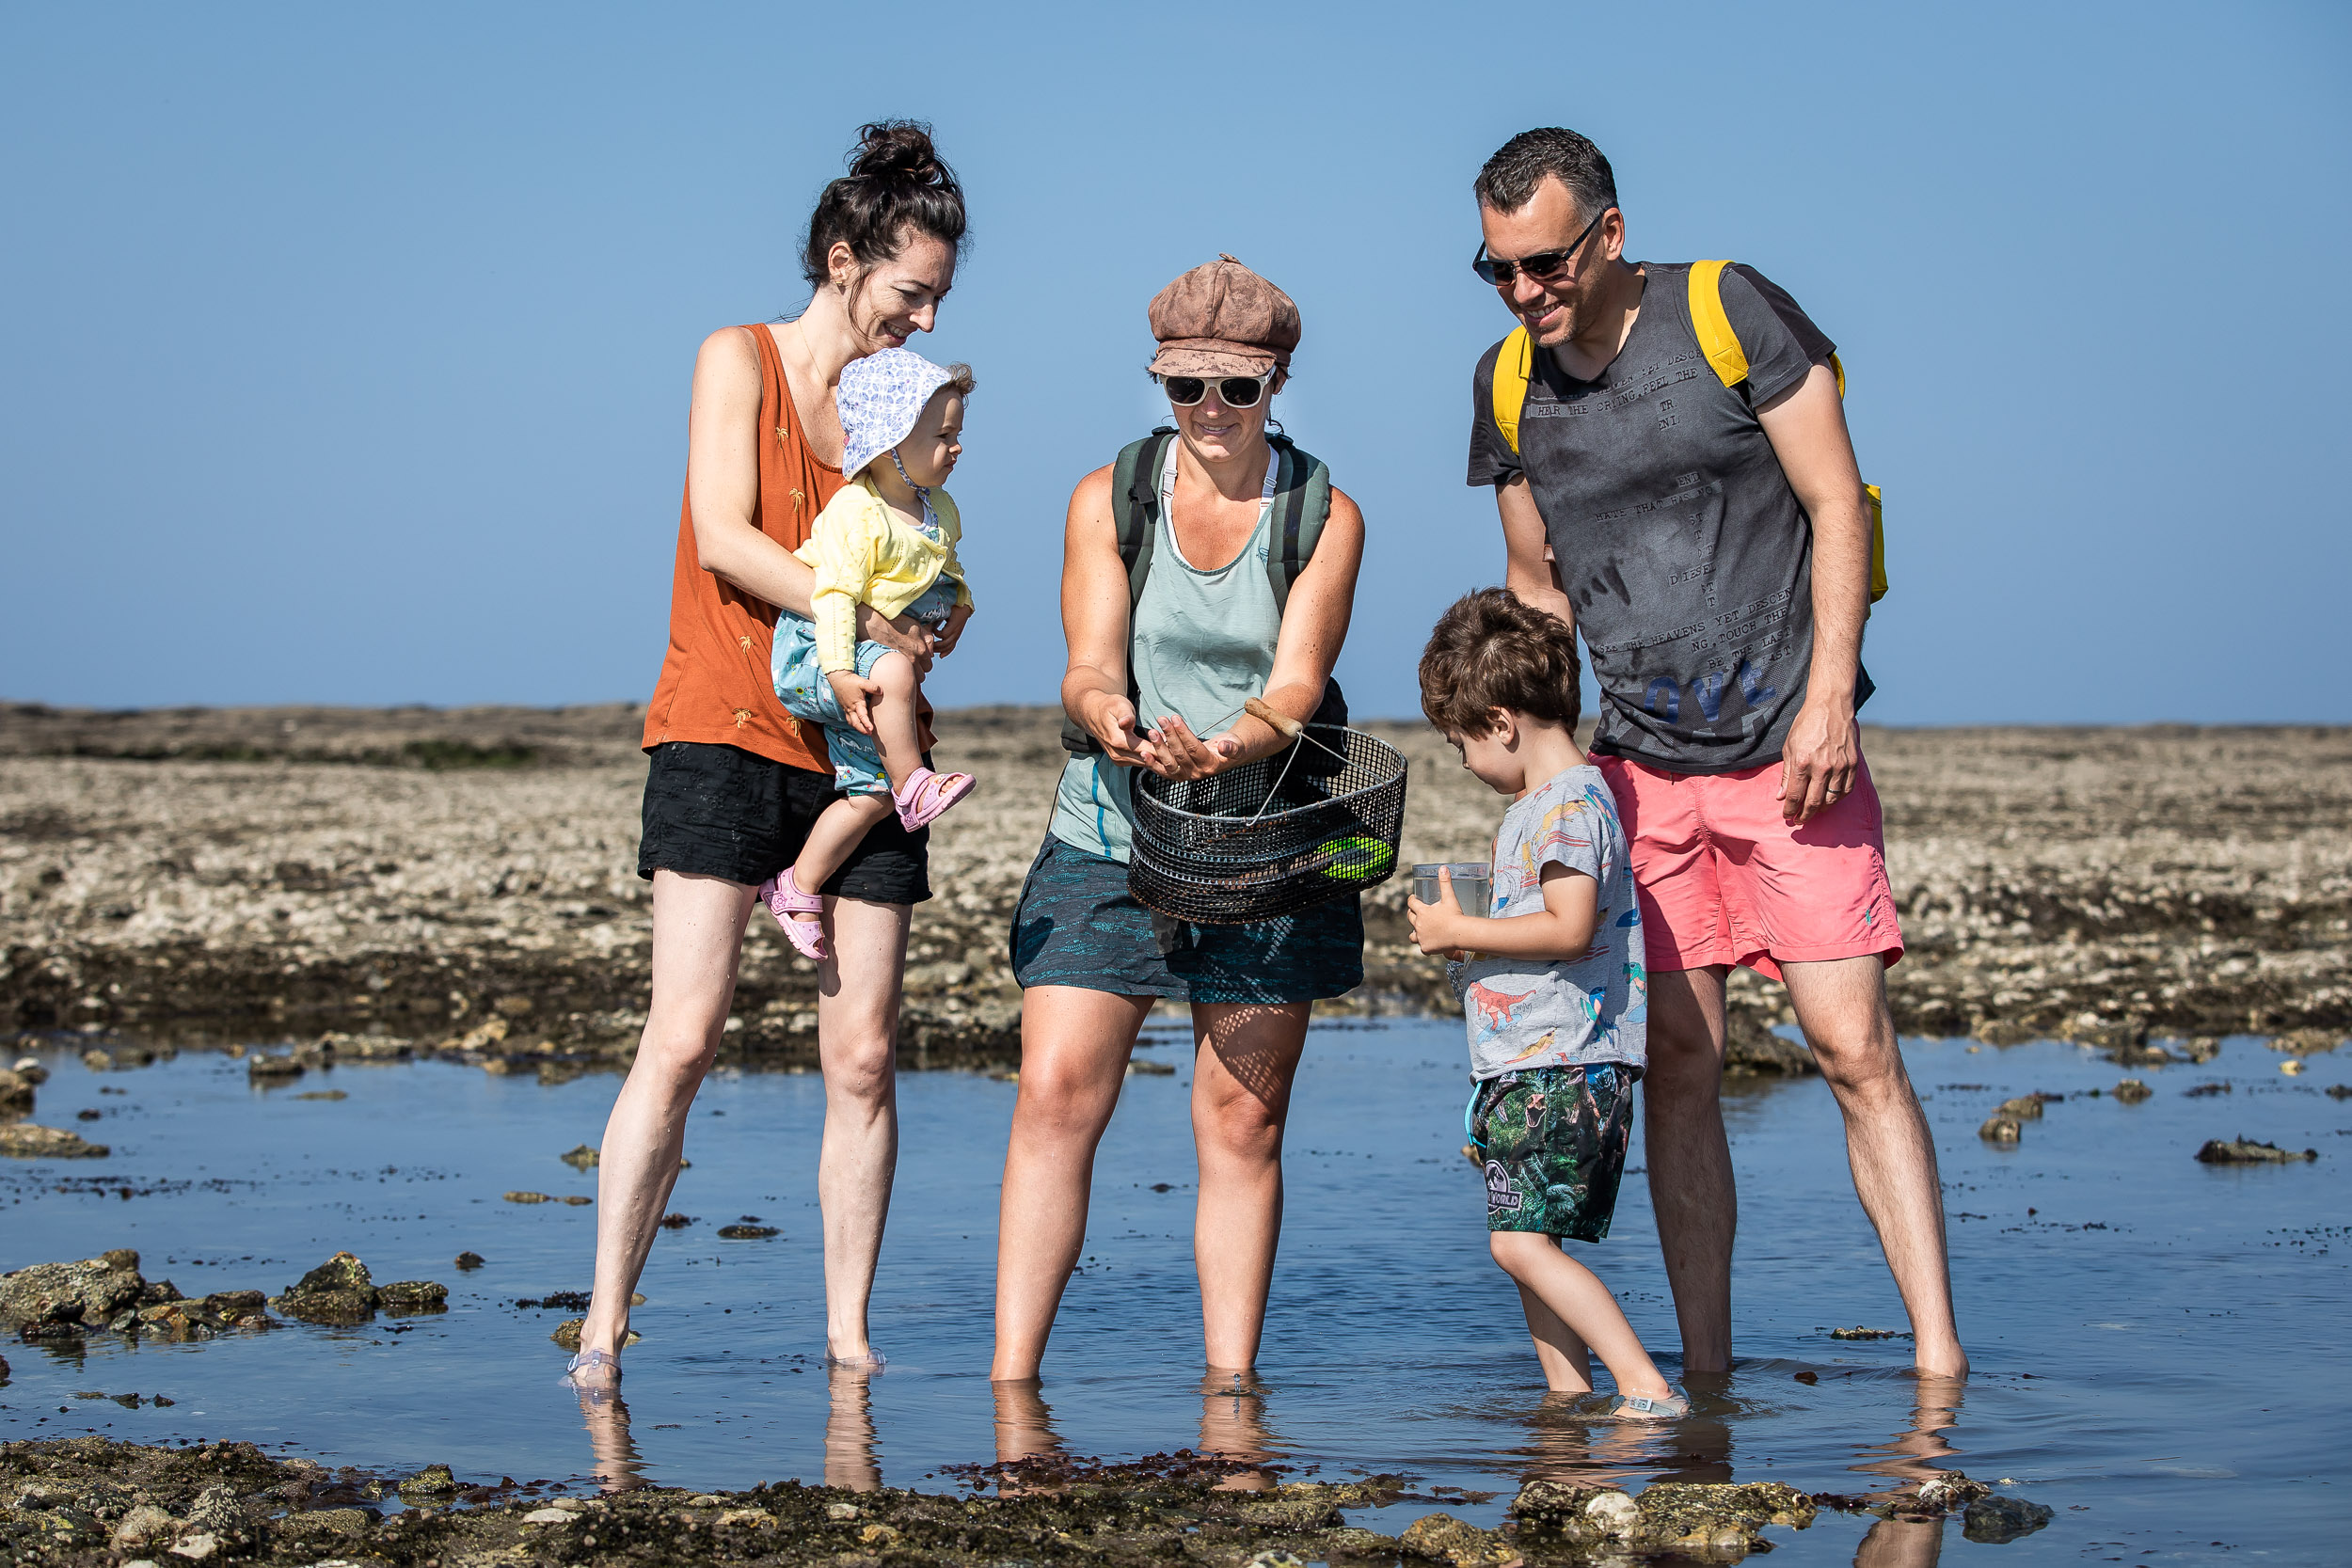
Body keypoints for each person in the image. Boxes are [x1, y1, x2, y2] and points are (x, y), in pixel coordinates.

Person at [1463, 127, 1966, 1378]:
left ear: (1611, 236)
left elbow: (1836, 499)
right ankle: (1707, 1383)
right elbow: (1537, 592)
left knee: (1854, 1048)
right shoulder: (1506, 384)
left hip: (1796, 752)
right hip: (1637, 771)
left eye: (1546, 264)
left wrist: (1832, 696)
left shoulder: (1727, 308)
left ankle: (1941, 1364)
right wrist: (1537, 775)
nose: (1527, 292)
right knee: (1682, 1063)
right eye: (1499, 271)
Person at [564, 121, 968, 1389]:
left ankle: (849, 1336)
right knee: (682, 1036)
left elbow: (921, 559)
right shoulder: (732, 357)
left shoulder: (901, 411)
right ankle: (602, 1320)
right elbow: (726, 533)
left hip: (859, 752)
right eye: (908, 291)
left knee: (862, 1052)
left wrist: (934, 617)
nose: (920, 317)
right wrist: (867, 617)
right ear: (845, 259)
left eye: (938, 299)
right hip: (721, 730)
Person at [992, 256, 1367, 1384]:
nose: (1209, 412)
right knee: (1056, 1091)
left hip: (1266, 838)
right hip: (1111, 829)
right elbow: (1088, 663)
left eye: (1235, 390)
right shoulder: (1105, 497)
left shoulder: (1325, 514)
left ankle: (1229, 1395)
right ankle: (1013, 1388)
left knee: (1241, 1119)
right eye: (1183, 387)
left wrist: (1231, 747)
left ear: (1278, 381)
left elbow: (1297, 687)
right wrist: (1108, 712)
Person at [1406, 588, 1682, 1418]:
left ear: (1501, 721)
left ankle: (1644, 1385)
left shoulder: (1565, 805)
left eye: (1460, 746)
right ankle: (1568, 1397)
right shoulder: (1555, 801)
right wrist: (1479, 936)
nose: (1465, 765)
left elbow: (1566, 928)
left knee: (1518, 1242)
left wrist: (1466, 927)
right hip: (1530, 1063)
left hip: (1562, 1065)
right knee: (1532, 1240)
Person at [758, 347, 979, 960]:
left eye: (958, 435)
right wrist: (838, 672)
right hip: (816, 652)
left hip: (865, 659)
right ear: (889, 443)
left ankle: (796, 886)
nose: (955, 448)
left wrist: (961, 605)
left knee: (868, 795)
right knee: (894, 669)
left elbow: (949, 564)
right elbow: (830, 597)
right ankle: (915, 783)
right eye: (941, 436)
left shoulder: (939, 509)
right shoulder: (858, 512)